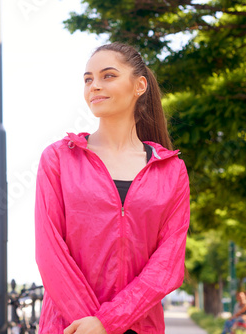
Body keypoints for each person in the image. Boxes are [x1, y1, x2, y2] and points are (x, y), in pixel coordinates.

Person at [35, 42, 191, 334]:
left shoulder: (171, 170)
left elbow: (167, 265)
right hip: (70, 327)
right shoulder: (58, 158)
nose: (94, 86)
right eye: (88, 79)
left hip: (138, 327)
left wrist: (109, 322)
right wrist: (90, 325)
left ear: (139, 85)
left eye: (108, 76)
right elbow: (49, 252)